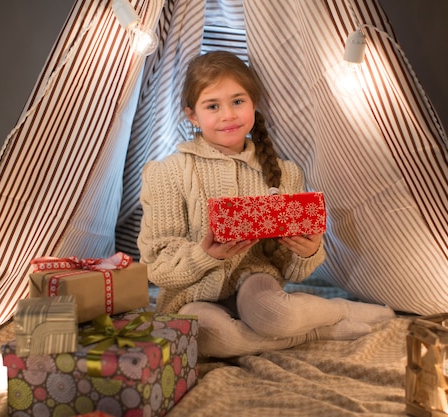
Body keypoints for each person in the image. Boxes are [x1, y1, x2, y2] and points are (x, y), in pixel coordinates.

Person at [137, 50, 394, 358]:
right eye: (213, 106)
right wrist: (203, 255)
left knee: (275, 315)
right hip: (191, 294)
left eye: (237, 101)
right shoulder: (166, 172)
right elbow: (156, 266)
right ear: (193, 115)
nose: (228, 114)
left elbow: (296, 273)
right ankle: (320, 329)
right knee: (206, 338)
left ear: (254, 104)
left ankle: (334, 309)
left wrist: (309, 251)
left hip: (255, 282)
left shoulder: (286, 173)